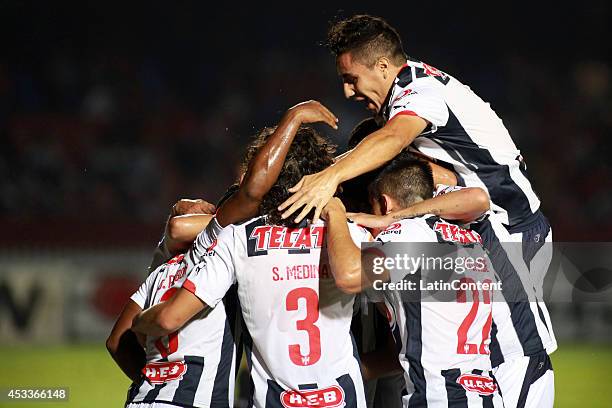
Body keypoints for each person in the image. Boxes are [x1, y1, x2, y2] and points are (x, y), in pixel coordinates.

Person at [279, 15, 555, 407]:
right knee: (464, 345)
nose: (346, 91)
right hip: (480, 221)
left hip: (506, 229)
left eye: (351, 78)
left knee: (509, 351)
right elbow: (437, 173)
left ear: (382, 66)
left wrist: (328, 182)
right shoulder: (409, 97)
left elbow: (395, 140)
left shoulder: (420, 92)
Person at [106, 100, 339, 408]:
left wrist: (155, 384)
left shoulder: (170, 265)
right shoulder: (337, 233)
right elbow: (251, 194)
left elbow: (116, 342)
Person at [323, 157, 504, 407]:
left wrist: (336, 213)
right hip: (488, 393)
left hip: (440, 396)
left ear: (385, 204)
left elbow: (349, 275)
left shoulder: (408, 234)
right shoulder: (471, 237)